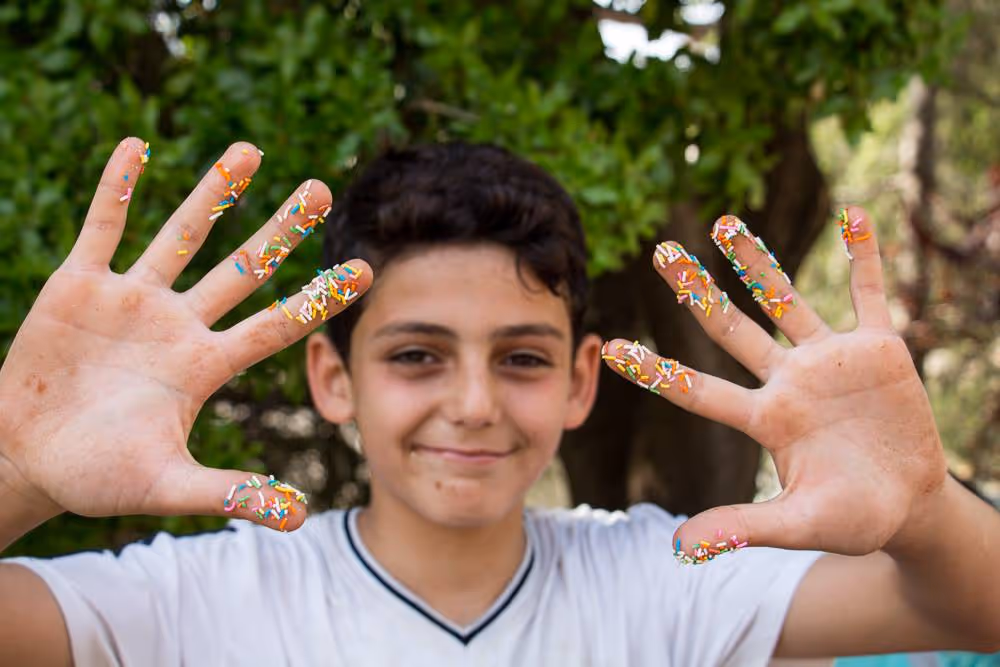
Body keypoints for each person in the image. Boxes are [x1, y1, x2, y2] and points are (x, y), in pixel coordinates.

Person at [0, 137, 997, 666]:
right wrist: (14, 467)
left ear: (577, 381)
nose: (473, 403)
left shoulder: (673, 581)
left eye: (520, 358)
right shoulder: (196, 600)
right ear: (331, 378)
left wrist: (923, 508)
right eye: (418, 355)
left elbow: (968, 609)